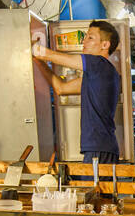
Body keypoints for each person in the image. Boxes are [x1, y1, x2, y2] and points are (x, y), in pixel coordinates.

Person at [32, 21, 121, 163]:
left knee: (93, 185)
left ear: (105, 45)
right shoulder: (99, 74)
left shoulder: (98, 64)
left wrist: (34, 47)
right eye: (85, 37)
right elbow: (61, 88)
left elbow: (52, 56)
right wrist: (39, 62)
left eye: (90, 38)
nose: (84, 41)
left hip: (99, 148)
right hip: (99, 147)